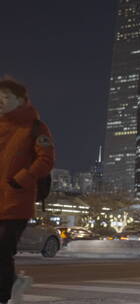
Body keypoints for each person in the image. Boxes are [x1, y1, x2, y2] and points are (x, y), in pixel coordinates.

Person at [0, 77, 55, 304]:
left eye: (6, 97)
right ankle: (13, 282)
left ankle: (4, 296)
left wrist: (22, 179)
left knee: (2, 250)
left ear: (21, 100)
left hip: (16, 200)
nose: (1, 102)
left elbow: (46, 160)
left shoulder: (35, 127)